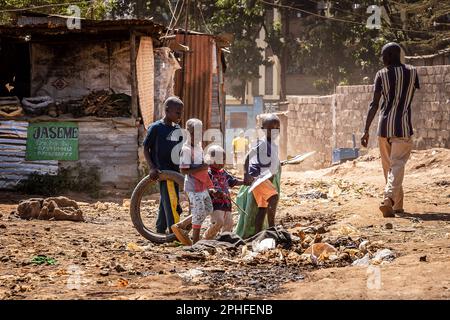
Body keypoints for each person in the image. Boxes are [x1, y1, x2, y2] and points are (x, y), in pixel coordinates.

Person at [361, 42, 420, 217]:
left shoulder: (381, 74)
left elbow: (374, 104)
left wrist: (366, 130)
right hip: (402, 127)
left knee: (391, 168)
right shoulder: (412, 72)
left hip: (384, 127)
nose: (382, 59)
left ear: (392, 56)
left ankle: (392, 202)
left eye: (384, 55)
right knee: (397, 165)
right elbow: (409, 94)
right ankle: (393, 202)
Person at [143, 96, 184, 234]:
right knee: (172, 200)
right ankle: (175, 232)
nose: (180, 116)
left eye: (181, 113)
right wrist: (152, 167)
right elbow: (146, 148)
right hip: (162, 171)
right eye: (177, 112)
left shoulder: (178, 129)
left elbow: (180, 150)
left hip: (175, 172)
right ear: (167, 111)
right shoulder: (156, 128)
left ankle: (160, 228)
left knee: (167, 199)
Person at [176, 118, 214, 244]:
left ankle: (183, 225)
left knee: (208, 208)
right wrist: (202, 167)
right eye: (193, 133)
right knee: (198, 213)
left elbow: (202, 164)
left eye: (199, 133)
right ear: (187, 132)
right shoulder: (186, 150)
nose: (197, 136)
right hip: (193, 187)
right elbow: (183, 170)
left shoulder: (198, 146)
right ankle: (195, 241)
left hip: (202, 185)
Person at [243, 114, 281, 234]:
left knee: (262, 208)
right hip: (258, 177)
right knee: (274, 197)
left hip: (263, 178)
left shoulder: (273, 145)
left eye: (276, 129)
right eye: (270, 129)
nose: (274, 132)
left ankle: (258, 234)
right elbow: (247, 157)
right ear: (263, 129)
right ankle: (271, 229)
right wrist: (246, 174)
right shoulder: (262, 142)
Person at [203, 145, 244, 239]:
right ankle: (206, 238)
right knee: (218, 221)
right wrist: (213, 192)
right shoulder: (207, 173)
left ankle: (224, 240)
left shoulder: (223, 172)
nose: (221, 163)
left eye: (223, 159)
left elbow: (233, 181)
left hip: (226, 203)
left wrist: (245, 182)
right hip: (215, 204)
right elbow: (204, 188)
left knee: (229, 223)